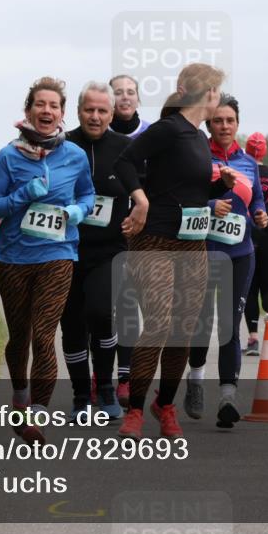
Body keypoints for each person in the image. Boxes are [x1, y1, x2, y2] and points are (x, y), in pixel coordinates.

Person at [113, 63, 236, 440]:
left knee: (185, 328)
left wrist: (219, 187)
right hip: (155, 240)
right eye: (217, 92)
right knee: (159, 323)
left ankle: (165, 404)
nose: (218, 97)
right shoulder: (168, 129)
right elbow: (125, 162)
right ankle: (135, 409)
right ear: (207, 93)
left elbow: (189, 192)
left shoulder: (199, 137)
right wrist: (140, 199)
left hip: (192, 243)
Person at [0, 76, 95, 444]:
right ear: (29, 111)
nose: (47, 110)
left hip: (58, 253)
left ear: (62, 114)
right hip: (14, 257)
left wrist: (78, 211)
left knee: (45, 335)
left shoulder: (75, 156)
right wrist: (23, 195)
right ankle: (20, 397)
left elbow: (88, 194)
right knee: (20, 337)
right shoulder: (8, 156)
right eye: (40, 104)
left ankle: (37, 414)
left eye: (54, 105)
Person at [184, 96, 267, 429]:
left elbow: (256, 197)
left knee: (230, 326)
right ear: (208, 124)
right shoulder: (197, 157)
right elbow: (182, 198)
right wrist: (209, 205)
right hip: (202, 252)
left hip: (240, 254)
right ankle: (195, 379)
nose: (224, 126)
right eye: (218, 120)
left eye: (230, 120)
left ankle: (228, 396)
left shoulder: (248, 162)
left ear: (237, 124)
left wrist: (259, 213)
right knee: (201, 324)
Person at [61, 81, 132, 421]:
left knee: (102, 314)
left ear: (112, 113)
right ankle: (80, 396)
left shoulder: (125, 148)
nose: (95, 116)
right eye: (89, 109)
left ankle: (105, 386)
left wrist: (141, 211)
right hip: (66, 249)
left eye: (102, 110)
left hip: (109, 250)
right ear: (78, 112)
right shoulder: (63, 145)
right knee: (72, 323)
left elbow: (148, 190)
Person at [108, 73, 148, 405]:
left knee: (127, 304)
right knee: (100, 307)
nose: (124, 97)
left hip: (140, 230)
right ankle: (100, 372)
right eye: (118, 92)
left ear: (138, 98)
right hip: (102, 230)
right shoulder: (97, 129)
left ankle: (125, 376)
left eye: (130, 92)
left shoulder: (150, 133)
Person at [243, 131, 268, 355]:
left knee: (250, 289)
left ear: (247, 149)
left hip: (247, 236)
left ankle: (253, 339)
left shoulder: (242, 172)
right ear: (265, 151)